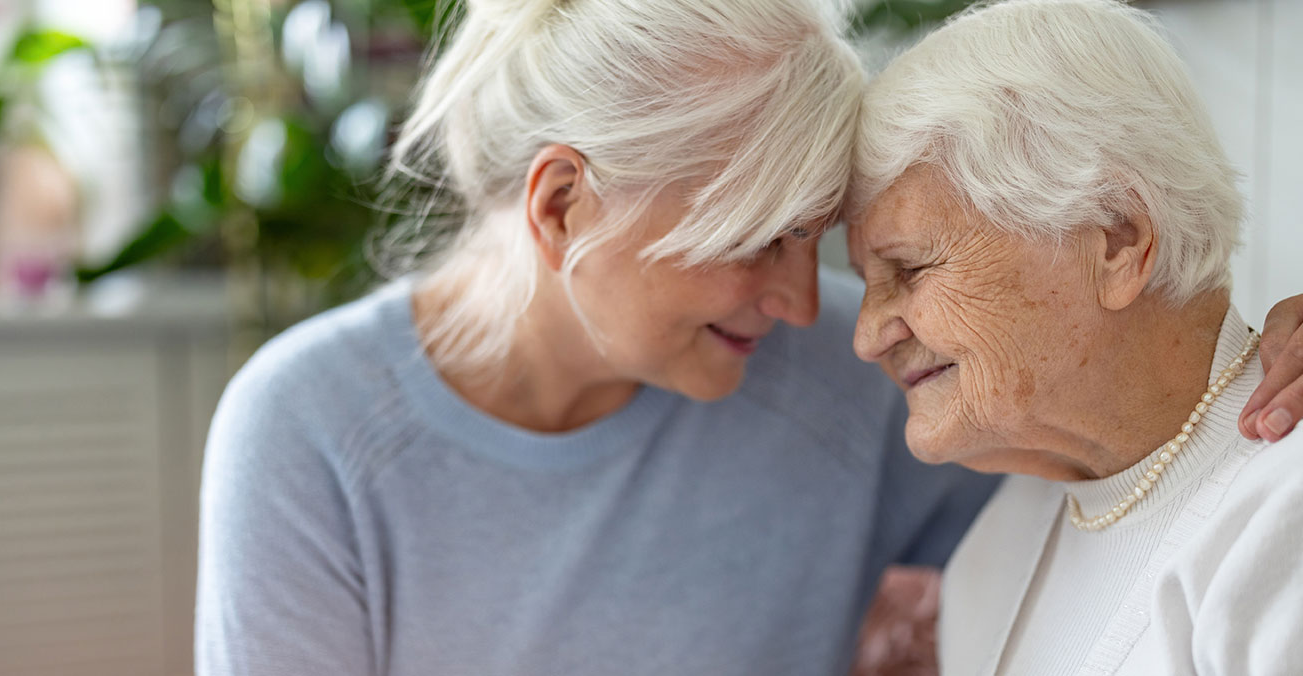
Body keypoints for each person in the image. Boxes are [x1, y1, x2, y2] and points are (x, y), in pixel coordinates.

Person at [196, 0, 1303, 674]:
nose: (802, 303)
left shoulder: (843, 371)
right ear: (561, 207)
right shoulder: (310, 430)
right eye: (750, 239)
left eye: (811, 240)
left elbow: (1142, 438)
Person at [845, 1, 1303, 673]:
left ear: (1118, 239)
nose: (865, 336)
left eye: (909, 268)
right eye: (863, 280)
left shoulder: (1281, 515)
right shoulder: (995, 542)